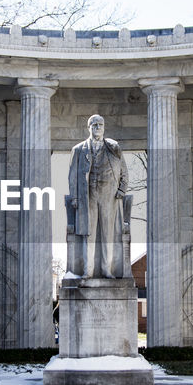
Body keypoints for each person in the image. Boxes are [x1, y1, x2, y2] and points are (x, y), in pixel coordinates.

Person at [67, 114, 128, 278]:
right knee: (89, 234)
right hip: (88, 196)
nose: (98, 128)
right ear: (89, 128)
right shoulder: (79, 149)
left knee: (107, 234)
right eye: (94, 125)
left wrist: (121, 190)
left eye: (100, 125)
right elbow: (72, 176)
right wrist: (74, 197)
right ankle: (88, 270)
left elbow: (124, 172)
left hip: (108, 196)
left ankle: (107, 270)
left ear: (104, 127)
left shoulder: (113, 148)